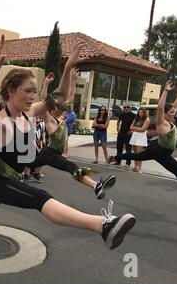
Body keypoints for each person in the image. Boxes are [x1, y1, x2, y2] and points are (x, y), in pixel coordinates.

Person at [0, 33, 135, 250]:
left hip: (12, 177)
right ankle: (102, 225)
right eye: (28, 90)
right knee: (40, 197)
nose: (33, 96)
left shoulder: (29, 112)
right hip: (0, 183)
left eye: (34, 91)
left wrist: (68, 67)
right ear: (12, 91)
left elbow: (59, 98)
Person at [29, 71, 116, 200]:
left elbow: (70, 98)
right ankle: (96, 186)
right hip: (49, 153)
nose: (64, 107)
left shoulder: (62, 118)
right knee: (72, 167)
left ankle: (19, 173)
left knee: (28, 164)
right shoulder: (50, 121)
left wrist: (74, 80)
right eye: (60, 106)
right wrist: (46, 83)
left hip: (51, 153)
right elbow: (44, 100)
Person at [110, 81, 177, 187]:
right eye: (171, 112)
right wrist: (166, 90)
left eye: (174, 112)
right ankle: (116, 158)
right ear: (165, 114)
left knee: (137, 156)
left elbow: (175, 106)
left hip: (159, 149)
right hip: (160, 152)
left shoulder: (171, 120)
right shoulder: (161, 123)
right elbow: (161, 108)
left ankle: (114, 158)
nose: (174, 113)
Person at [129, 108, 150, 173]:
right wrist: (137, 128)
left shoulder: (147, 119)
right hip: (135, 136)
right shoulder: (136, 118)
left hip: (141, 137)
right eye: (139, 112)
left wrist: (135, 128)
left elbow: (143, 129)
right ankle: (135, 166)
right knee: (135, 152)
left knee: (139, 153)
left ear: (144, 113)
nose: (140, 113)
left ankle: (139, 167)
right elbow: (130, 127)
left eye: (142, 112)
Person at [115, 103, 136, 168]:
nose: (126, 108)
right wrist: (118, 128)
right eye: (125, 107)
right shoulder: (122, 114)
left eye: (128, 107)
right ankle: (118, 161)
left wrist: (132, 131)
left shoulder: (133, 115)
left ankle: (128, 163)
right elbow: (118, 121)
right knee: (119, 147)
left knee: (128, 149)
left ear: (130, 108)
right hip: (121, 133)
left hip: (128, 134)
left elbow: (136, 124)